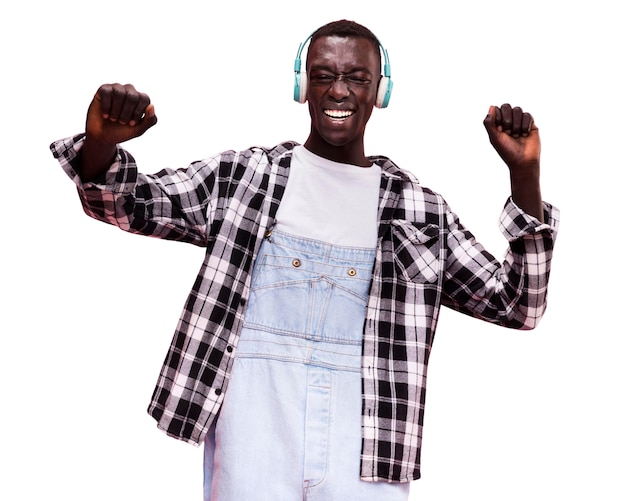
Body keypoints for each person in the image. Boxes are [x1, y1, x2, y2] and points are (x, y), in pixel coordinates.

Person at [50, 19, 558, 501]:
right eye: (324, 76)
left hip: (370, 434)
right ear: (303, 87)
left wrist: (525, 177)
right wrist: (100, 143)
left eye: (356, 78)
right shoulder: (244, 178)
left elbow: (518, 305)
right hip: (255, 419)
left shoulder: (420, 211)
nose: (339, 91)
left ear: (380, 92)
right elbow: (124, 203)